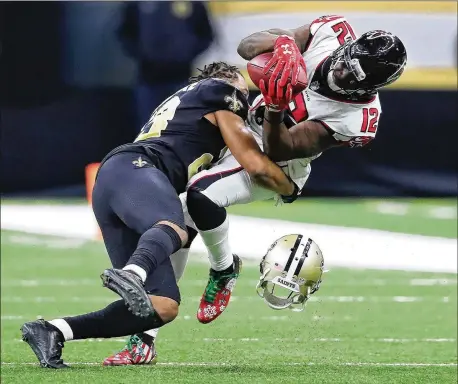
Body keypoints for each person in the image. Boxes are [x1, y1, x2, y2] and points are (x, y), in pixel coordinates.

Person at [100, 14, 408, 367]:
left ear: (367, 88)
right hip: (243, 129)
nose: (339, 74)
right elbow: (246, 47)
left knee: (201, 194)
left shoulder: (358, 117)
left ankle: (222, 268)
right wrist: (283, 44)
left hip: (279, 160)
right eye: (344, 63)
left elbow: (283, 149)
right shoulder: (331, 32)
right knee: (177, 216)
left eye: (351, 78)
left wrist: (276, 107)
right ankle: (145, 335)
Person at [20, 62, 299, 369]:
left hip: (119, 185)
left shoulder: (192, 103)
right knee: (172, 227)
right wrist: (289, 187)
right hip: (137, 169)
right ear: (228, 83)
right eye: (242, 92)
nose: (243, 101)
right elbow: (254, 163)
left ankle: (54, 331)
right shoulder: (221, 91)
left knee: (161, 306)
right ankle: (134, 273)